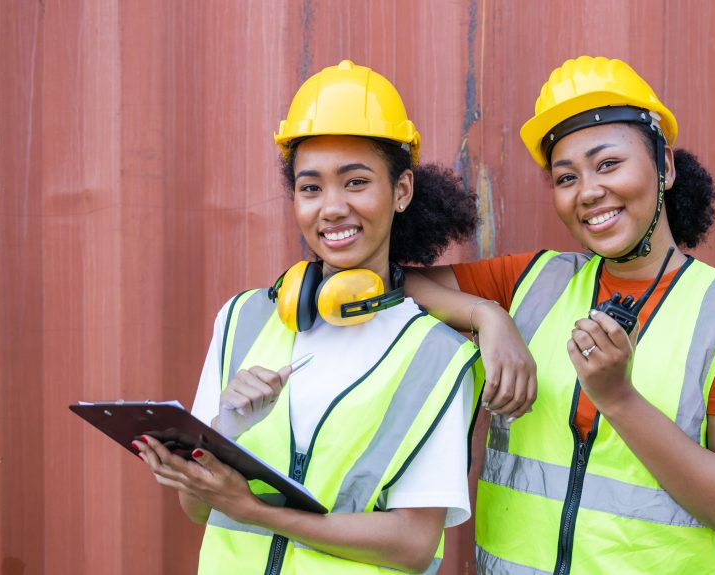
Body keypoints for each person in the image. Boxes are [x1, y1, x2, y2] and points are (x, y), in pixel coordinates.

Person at [405, 56, 715, 574]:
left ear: (666, 166)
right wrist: (486, 314)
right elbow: (389, 285)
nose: (587, 192)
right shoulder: (531, 283)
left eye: (608, 164)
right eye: (566, 177)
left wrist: (618, 398)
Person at [132, 60, 483, 575]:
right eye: (311, 187)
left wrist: (253, 510)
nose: (332, 208)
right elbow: (199, 509)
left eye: (356, 182)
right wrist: (221, 433)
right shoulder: (242, 319)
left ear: (402, 191)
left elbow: (412, 542)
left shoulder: (437, 354)